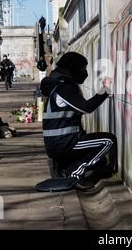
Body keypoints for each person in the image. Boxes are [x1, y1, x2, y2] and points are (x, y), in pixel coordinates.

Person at [40, 52, 115, 190]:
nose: (85, 73)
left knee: (100, 161)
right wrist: (105, 89)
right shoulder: (64, 87)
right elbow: (86, 108)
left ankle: (62, 165)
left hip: (59, 143)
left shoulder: (57, 83)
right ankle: (74, 173)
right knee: (108, 141)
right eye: (83, 69)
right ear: (73, 68)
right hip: (64, 143)